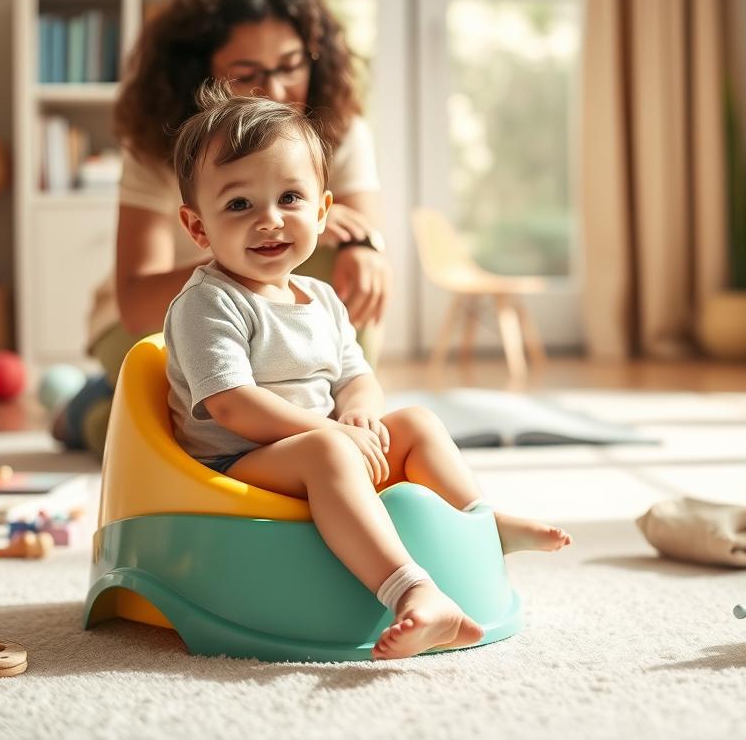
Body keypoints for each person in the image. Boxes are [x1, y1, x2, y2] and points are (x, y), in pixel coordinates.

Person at [164, 89, 570, 660]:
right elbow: (232, 405)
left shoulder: (322, 298)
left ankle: (478, 525)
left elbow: (357, 375)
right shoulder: (209, 303)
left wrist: (356, 410)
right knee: (328, 455)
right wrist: (331, 433)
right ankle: (415, 594)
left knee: (418, 423)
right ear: (198, 226)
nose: (270, 220)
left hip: (315, 447)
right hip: (232, 464)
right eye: (238, 206)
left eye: (290, 197)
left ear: (324, 211)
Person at [56, 0, 387, 452]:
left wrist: (364, 247)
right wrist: (231, 258)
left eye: (291, 65)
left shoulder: (340, 128)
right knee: (148, 434)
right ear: (201, 73)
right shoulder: (156, 147)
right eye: (247, 74)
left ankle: (346, 424)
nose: (273, 89)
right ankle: (92, 410)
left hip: (271, 316)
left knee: (354, 261)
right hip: (150, 322)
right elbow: (135, 303)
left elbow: (363, 236)